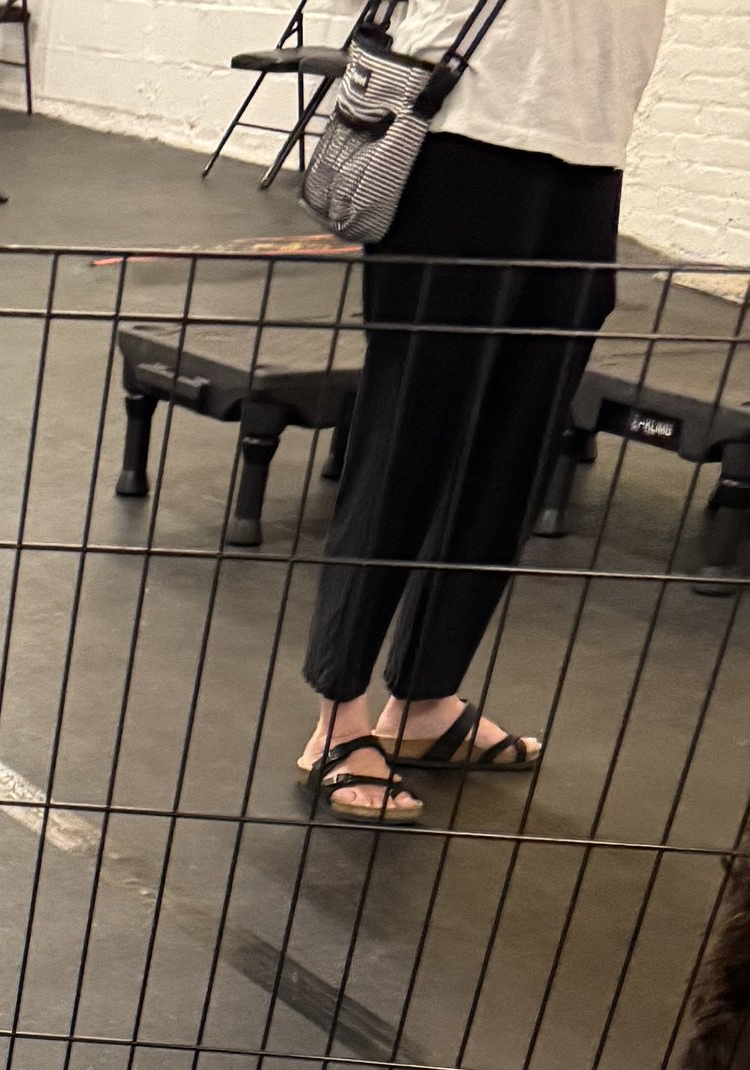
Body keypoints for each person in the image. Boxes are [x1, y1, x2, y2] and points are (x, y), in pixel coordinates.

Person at [296, 0, 670, 821]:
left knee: (516, 442)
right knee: (411, 430)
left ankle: (425, 700)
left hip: (593, 136)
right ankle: (338, 714)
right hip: (462, 121)